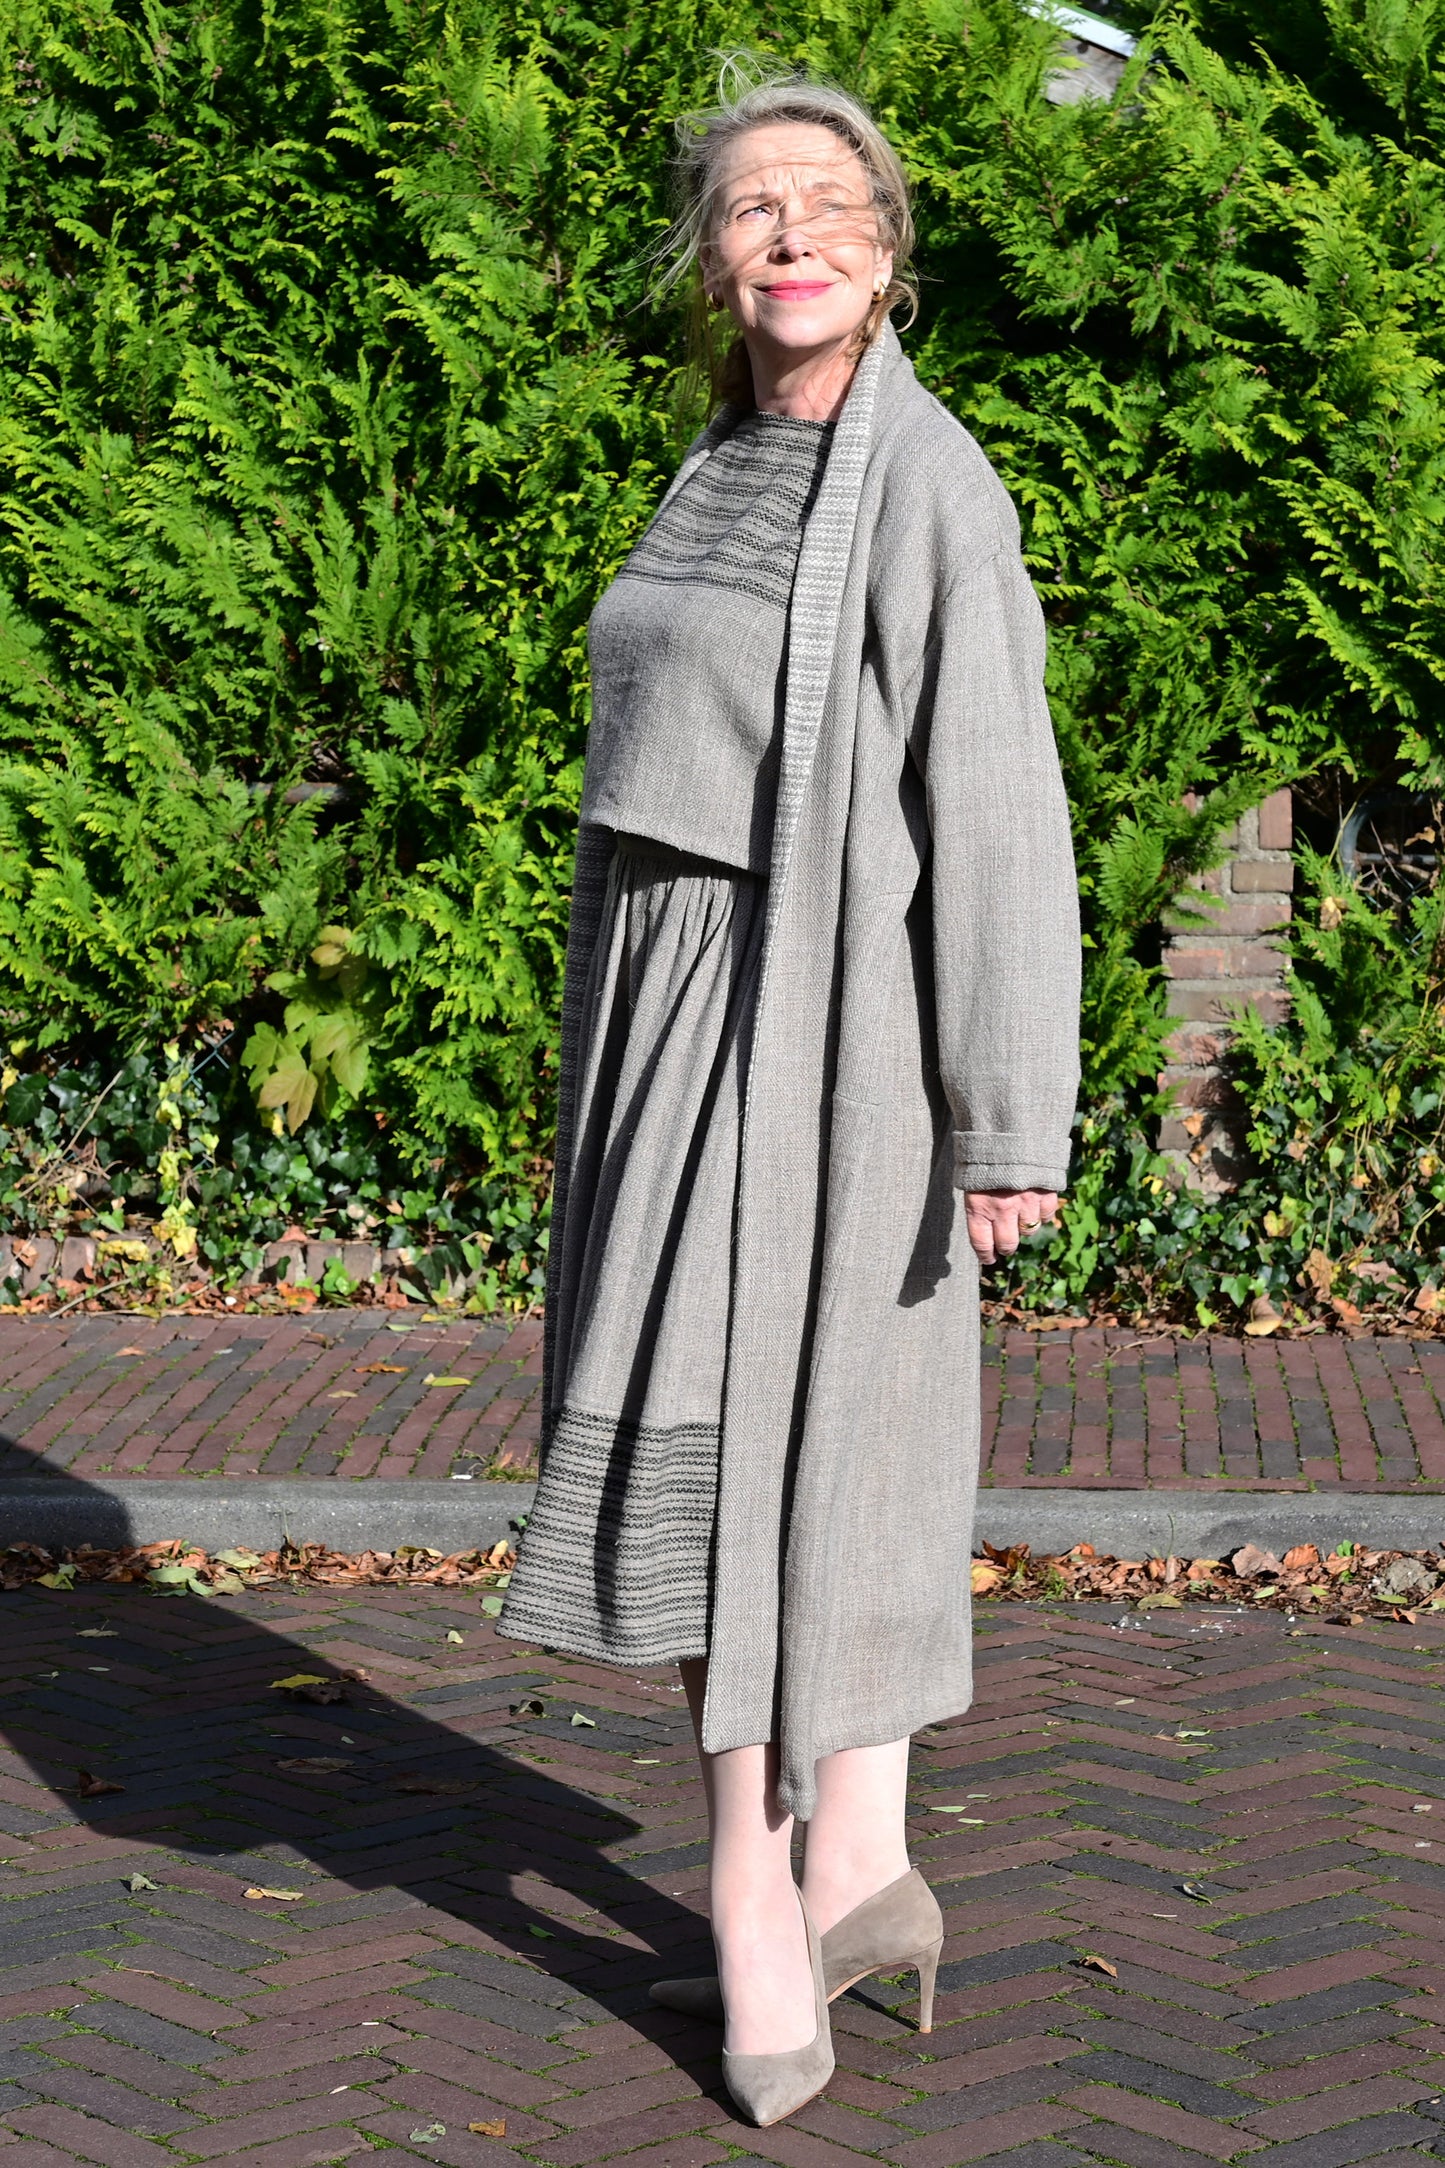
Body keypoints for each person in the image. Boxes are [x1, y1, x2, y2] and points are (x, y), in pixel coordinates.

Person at [499, 56, 1080, 2127]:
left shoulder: (932, 488)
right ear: (713, 259)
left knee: (799, 1456)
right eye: (751, 206)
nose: (791, 230)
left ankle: (762, 1879)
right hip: (666, 1031)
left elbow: (1002, 809)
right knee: (691, 1449)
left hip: (825, 1040)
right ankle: (856, 1855)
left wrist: (1010, 1116)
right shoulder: (714, 466)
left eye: (827, 199)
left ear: (891, 244)